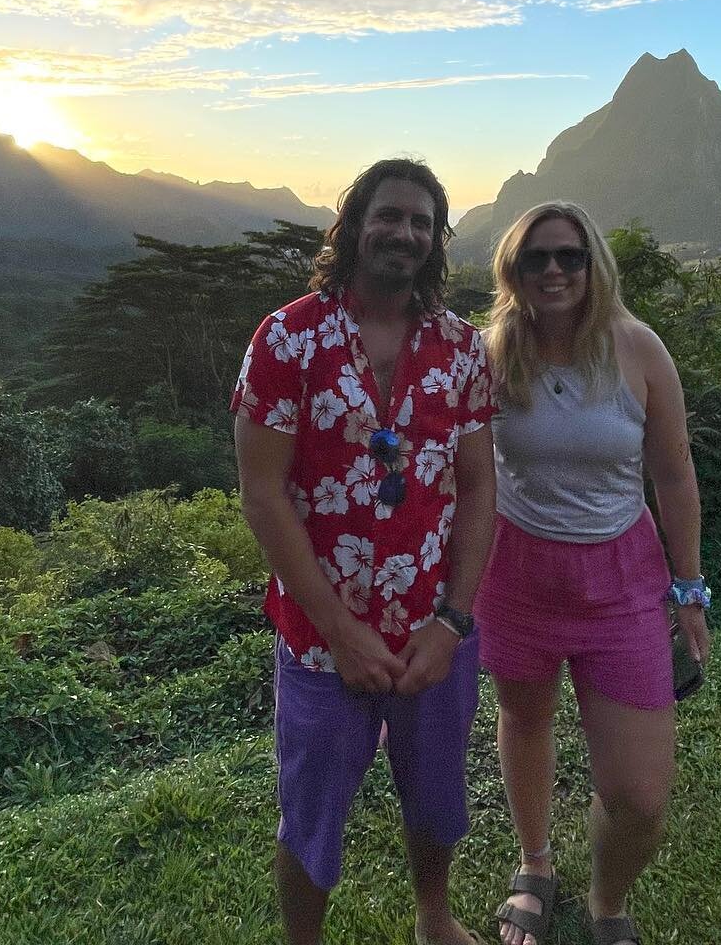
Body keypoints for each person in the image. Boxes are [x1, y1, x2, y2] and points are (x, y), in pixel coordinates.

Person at [232, 158, 498, 945]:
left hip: (432, 630)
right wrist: (341, 632)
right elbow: (263, 495)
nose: (405, 233)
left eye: (422, 222)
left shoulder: (462, 348)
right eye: (390, 215)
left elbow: (480, 490)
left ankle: (434, 918)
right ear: (354, 225)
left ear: (436, 241)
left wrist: (452, 622)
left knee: (439, 793)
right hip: (321, 641)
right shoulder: (287, 338)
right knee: (311, 814)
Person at [475, 202, 711, 945]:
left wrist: (690, 589)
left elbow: (673, 477)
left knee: (639, 796)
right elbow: (463, 475)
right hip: (515, 571)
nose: (552, 270)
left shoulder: (638, 351)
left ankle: (608, 900)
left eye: (568, 257)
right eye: (535, 258)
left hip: (622, 578)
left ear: (593, 265)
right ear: (512, 270)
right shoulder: (491, 355)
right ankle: (536, 865)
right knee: (526, 716)